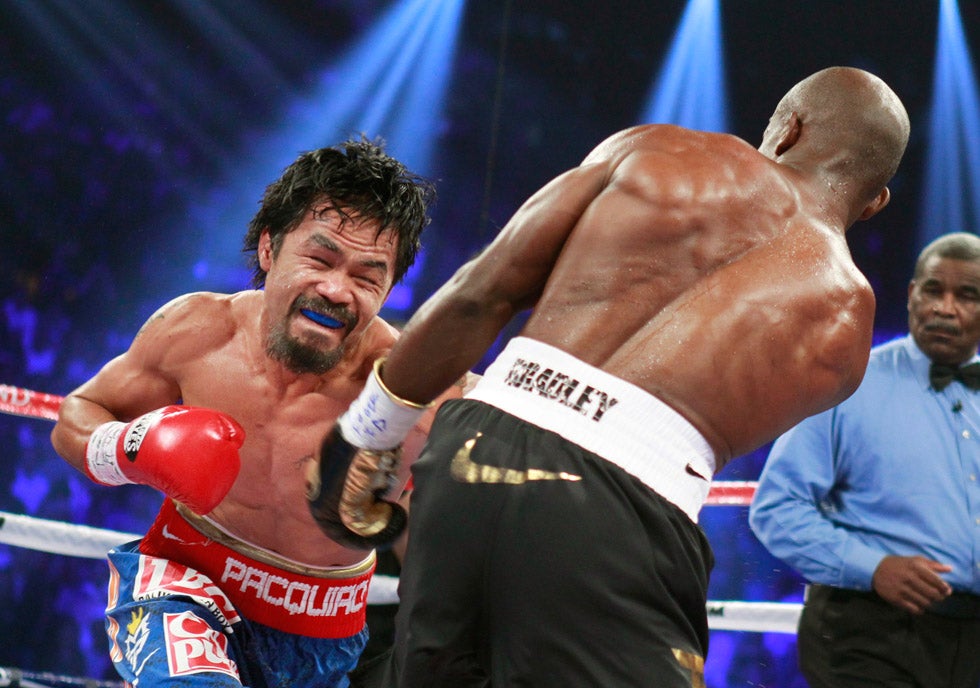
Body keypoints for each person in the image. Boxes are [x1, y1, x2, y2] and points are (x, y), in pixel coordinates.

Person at [303, 66, 910, 688]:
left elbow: (477, 295)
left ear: (788, 129)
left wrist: (365, 433)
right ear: (876, 200)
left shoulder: (656, 150)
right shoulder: (846, 326)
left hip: (470, 455)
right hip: (623, 511)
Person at [49, 138, 463, 687]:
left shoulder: (413, 392)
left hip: (322, 630)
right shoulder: (196, 331)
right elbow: (77, 415)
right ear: (269, 249)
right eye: (319, 259)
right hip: (182, 581)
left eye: (367, 277)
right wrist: (131, 448)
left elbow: (439, 538)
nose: (337, 290)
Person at [749, 232, 980, 688]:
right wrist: (872, 567)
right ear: (913, 295)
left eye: (967, 296)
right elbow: (775, 508)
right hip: (868, 629)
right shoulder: (850, 384)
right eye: (934, 290)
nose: (945, 308)